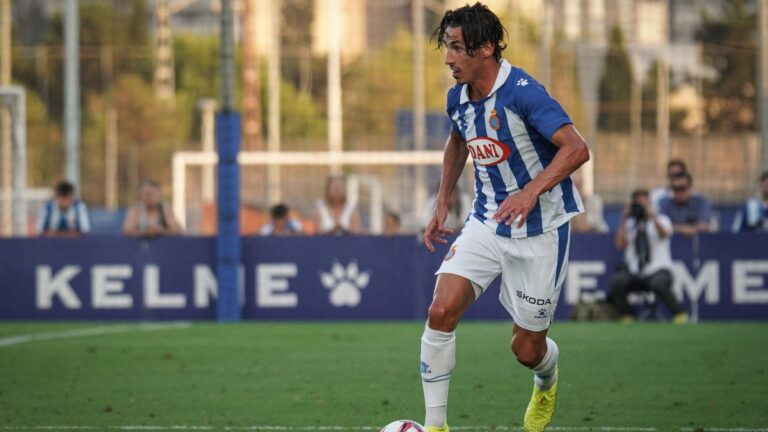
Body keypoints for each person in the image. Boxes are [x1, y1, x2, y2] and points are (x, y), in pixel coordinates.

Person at [421, 4, 590, 432]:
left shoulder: (523, 93)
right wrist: (443, 200)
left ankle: (546, 380)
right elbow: (458, 141)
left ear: (486, 48)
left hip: (540, 231)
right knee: (440, 312)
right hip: (486, 222)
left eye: (457, 48)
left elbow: (577, 148)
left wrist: (530, 191)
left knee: (526, 349)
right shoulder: (457, 96)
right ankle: (435, 426)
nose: (448, 58)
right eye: (447, 47)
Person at [606, 189, 688, 323]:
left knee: (658, 284)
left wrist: (651, 216)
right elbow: (620, 244)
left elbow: (664, 234)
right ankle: (628, 316)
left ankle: (680, 314)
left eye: (644, 203)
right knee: (616, 282)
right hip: (636, 272)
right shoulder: (630, 224)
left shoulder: (662, 219)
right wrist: (624, 218)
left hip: (659, 269)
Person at [659, 172, 713, 237]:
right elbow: (662, 227)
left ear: (690, 187)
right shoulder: (665, 203)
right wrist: (683, 229)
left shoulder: (702, 202)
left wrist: (675, 228)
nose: (679, 192)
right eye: (676, 189)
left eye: (682, 188)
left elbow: (704, 225)